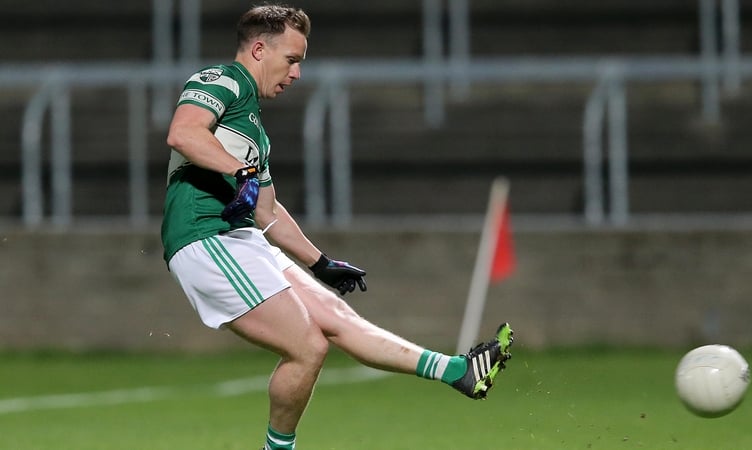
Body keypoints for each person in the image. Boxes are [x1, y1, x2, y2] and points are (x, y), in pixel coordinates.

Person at [161, 3, 514, 449]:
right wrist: (241, 172)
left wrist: (320, 262)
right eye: (291, 60)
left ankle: (458, 372)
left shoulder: (255, 131)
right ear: (257, 49)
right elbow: (184, 133)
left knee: (338, 318)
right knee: (308, 346)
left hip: (242, 239)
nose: (296, 74)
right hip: (204, 238)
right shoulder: (220, 80)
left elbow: (267, 211)